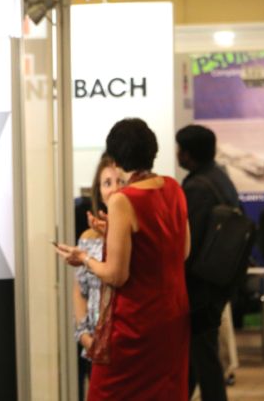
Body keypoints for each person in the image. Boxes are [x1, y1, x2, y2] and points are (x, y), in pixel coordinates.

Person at [57, 118, 191, 400]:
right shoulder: (173, 187)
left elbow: (116, 275)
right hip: (172, 320)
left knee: (108, 393)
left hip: (134, 326)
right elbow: (183, 250)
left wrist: (84, 258)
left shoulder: (123, 199)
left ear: (116, 160)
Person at [176, 124, 240, 401]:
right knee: (197, 354)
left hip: (201, 286)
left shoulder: (196, 188)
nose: (178, 154)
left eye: (180, 149)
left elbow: (189, 242)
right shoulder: (220, 178)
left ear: (188, 154)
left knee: (204, 357)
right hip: (220, 280)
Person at [57, 154, 124, 399]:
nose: (114, 189)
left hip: (127, 340)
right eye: (107, 183)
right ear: (99, 190)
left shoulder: (134, 234)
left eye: (120, 182)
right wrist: (85, 336)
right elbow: (79, 290)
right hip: (96, 342)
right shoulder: (88, 236)